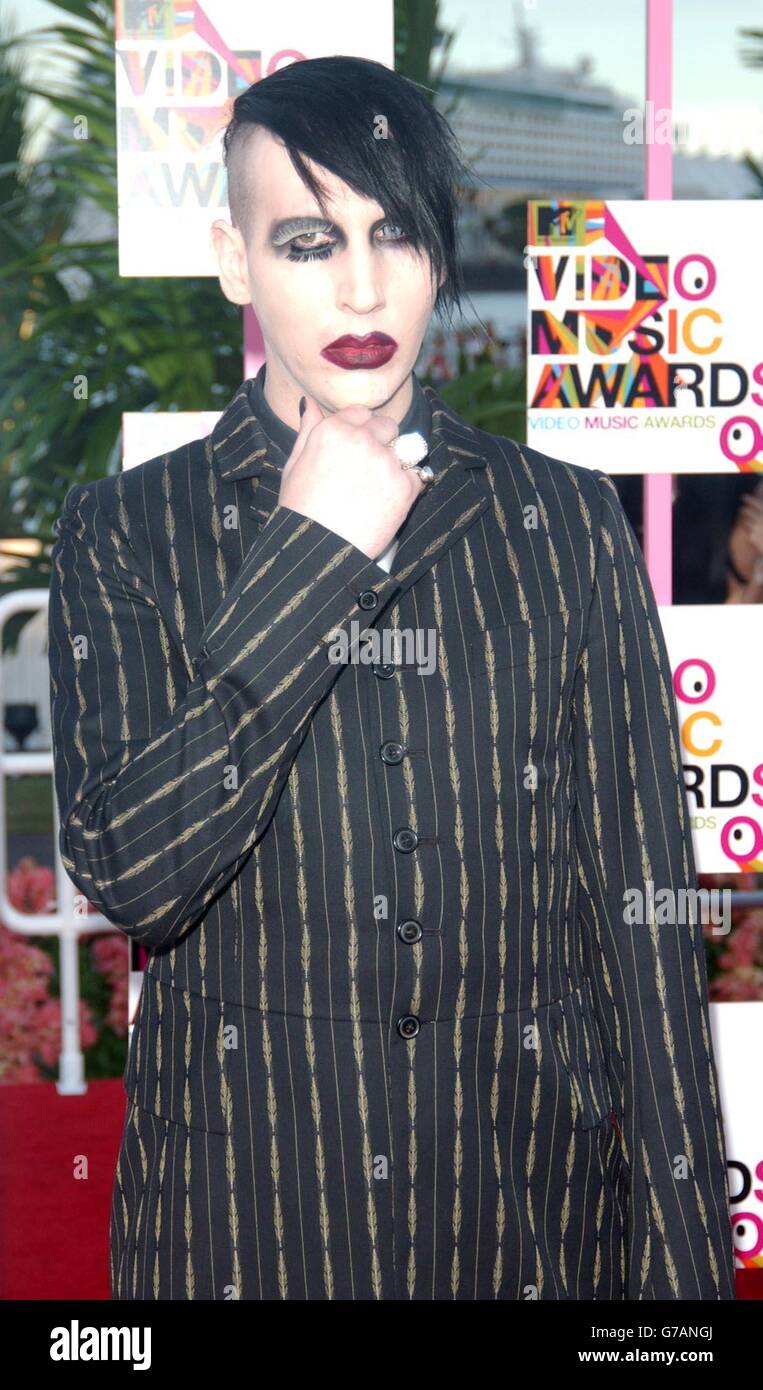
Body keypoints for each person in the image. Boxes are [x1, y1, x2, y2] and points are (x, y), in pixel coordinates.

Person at [48, 55, 736, 1301]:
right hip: (243, 1232)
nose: (362, 286)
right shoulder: (124, 529)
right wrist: (311, 559)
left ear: (439, 255)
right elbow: (134, 877)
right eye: (308, 239)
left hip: (532, 1224)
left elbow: (642, 923)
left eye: (395, 232)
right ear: (232, 260)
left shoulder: (565, 522)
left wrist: (683, 1288)